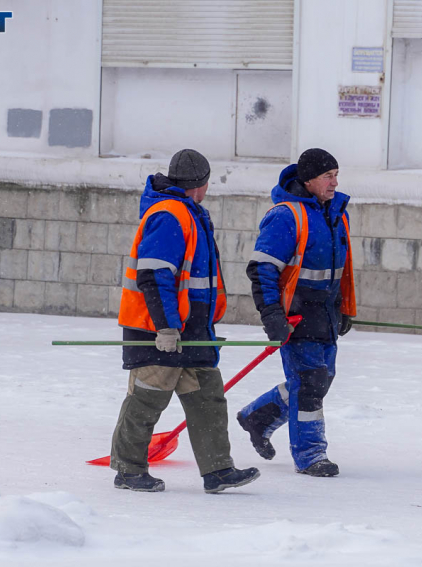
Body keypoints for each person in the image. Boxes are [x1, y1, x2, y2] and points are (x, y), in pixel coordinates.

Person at [110, 149, 260, 494]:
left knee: (208, 399)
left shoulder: (190, 214)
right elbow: (154, 275)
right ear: (203, 183)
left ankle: (218, 470)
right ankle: (128, 469)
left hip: (193, 330)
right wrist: (166, 327)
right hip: (157, 329)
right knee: (146, 400)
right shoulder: (170, 215)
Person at [237, 148, 356, 477]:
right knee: (309, 382)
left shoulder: (335, 212)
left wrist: (342, 306)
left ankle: (258, 416)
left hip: (326, 313)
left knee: (321, 379)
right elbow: (262, 269)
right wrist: (271, 314)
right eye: (327, 176)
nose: (335, 182)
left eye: (336, 175)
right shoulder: (286, 215)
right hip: (296, 312)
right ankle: (310, 455)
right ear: (308, 180)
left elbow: (339, 268)